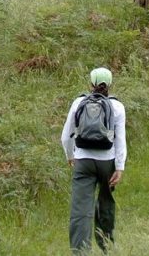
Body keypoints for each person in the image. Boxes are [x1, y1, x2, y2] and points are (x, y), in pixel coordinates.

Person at [61, 67, 127, 253]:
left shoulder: (78, 103)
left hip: (83, 161)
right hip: (108, 161)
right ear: (110, 85)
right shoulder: (117, 107)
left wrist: (70, 156)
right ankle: (106, 246)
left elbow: (66, 136)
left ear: (90, 84)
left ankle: (80, 251)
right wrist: (119, 167)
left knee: (80, 210)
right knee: (105, 201)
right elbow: (120, 140)